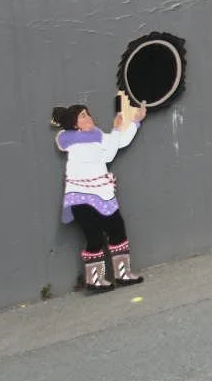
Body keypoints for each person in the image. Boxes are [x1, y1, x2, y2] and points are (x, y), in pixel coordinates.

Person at [52, 97, 146, 294]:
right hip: (82, 197)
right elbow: (109, 153)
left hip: (102, 194)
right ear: (75, 125)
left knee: (117, 229)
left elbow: (117, 143)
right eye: (83, 116)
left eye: (88, 113)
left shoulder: (97, 137)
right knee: (94, 236)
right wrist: (116, 130)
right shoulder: (76, 142)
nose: (89, 118)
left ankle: (122, 274)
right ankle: (95, 279)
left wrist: (135, 122)